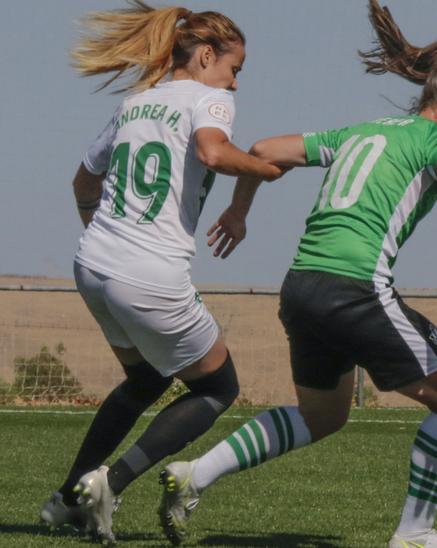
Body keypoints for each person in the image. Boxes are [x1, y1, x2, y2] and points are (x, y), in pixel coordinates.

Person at [156, 2, 437, 546]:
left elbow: (261, 151)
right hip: (355, 289)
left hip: (302, 288)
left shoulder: (360, 130)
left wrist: (240, 210)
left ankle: (195, 474)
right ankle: (415, 534)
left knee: (322, 414)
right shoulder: (436, 141)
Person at [40, 2, 284, 543]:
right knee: (219, 387)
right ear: (204, 56)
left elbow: (83, 185)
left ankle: (65, 499)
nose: (236, 84)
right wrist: (265, 169)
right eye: (234, 68)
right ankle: (111, 483)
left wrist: (106, 235)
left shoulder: (136, 103)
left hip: (93, 265)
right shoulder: (211, 99)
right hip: (147, 274)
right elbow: (213, 153)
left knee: (146, 380)